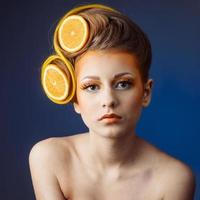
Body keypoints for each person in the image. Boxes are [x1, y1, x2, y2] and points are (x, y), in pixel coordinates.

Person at [29, 4, 196, 200]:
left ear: (146, 92)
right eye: (91, 87)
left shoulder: (173, 180)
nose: (108, 100)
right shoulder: (49, 158)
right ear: (75, 99)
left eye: (123, 84)